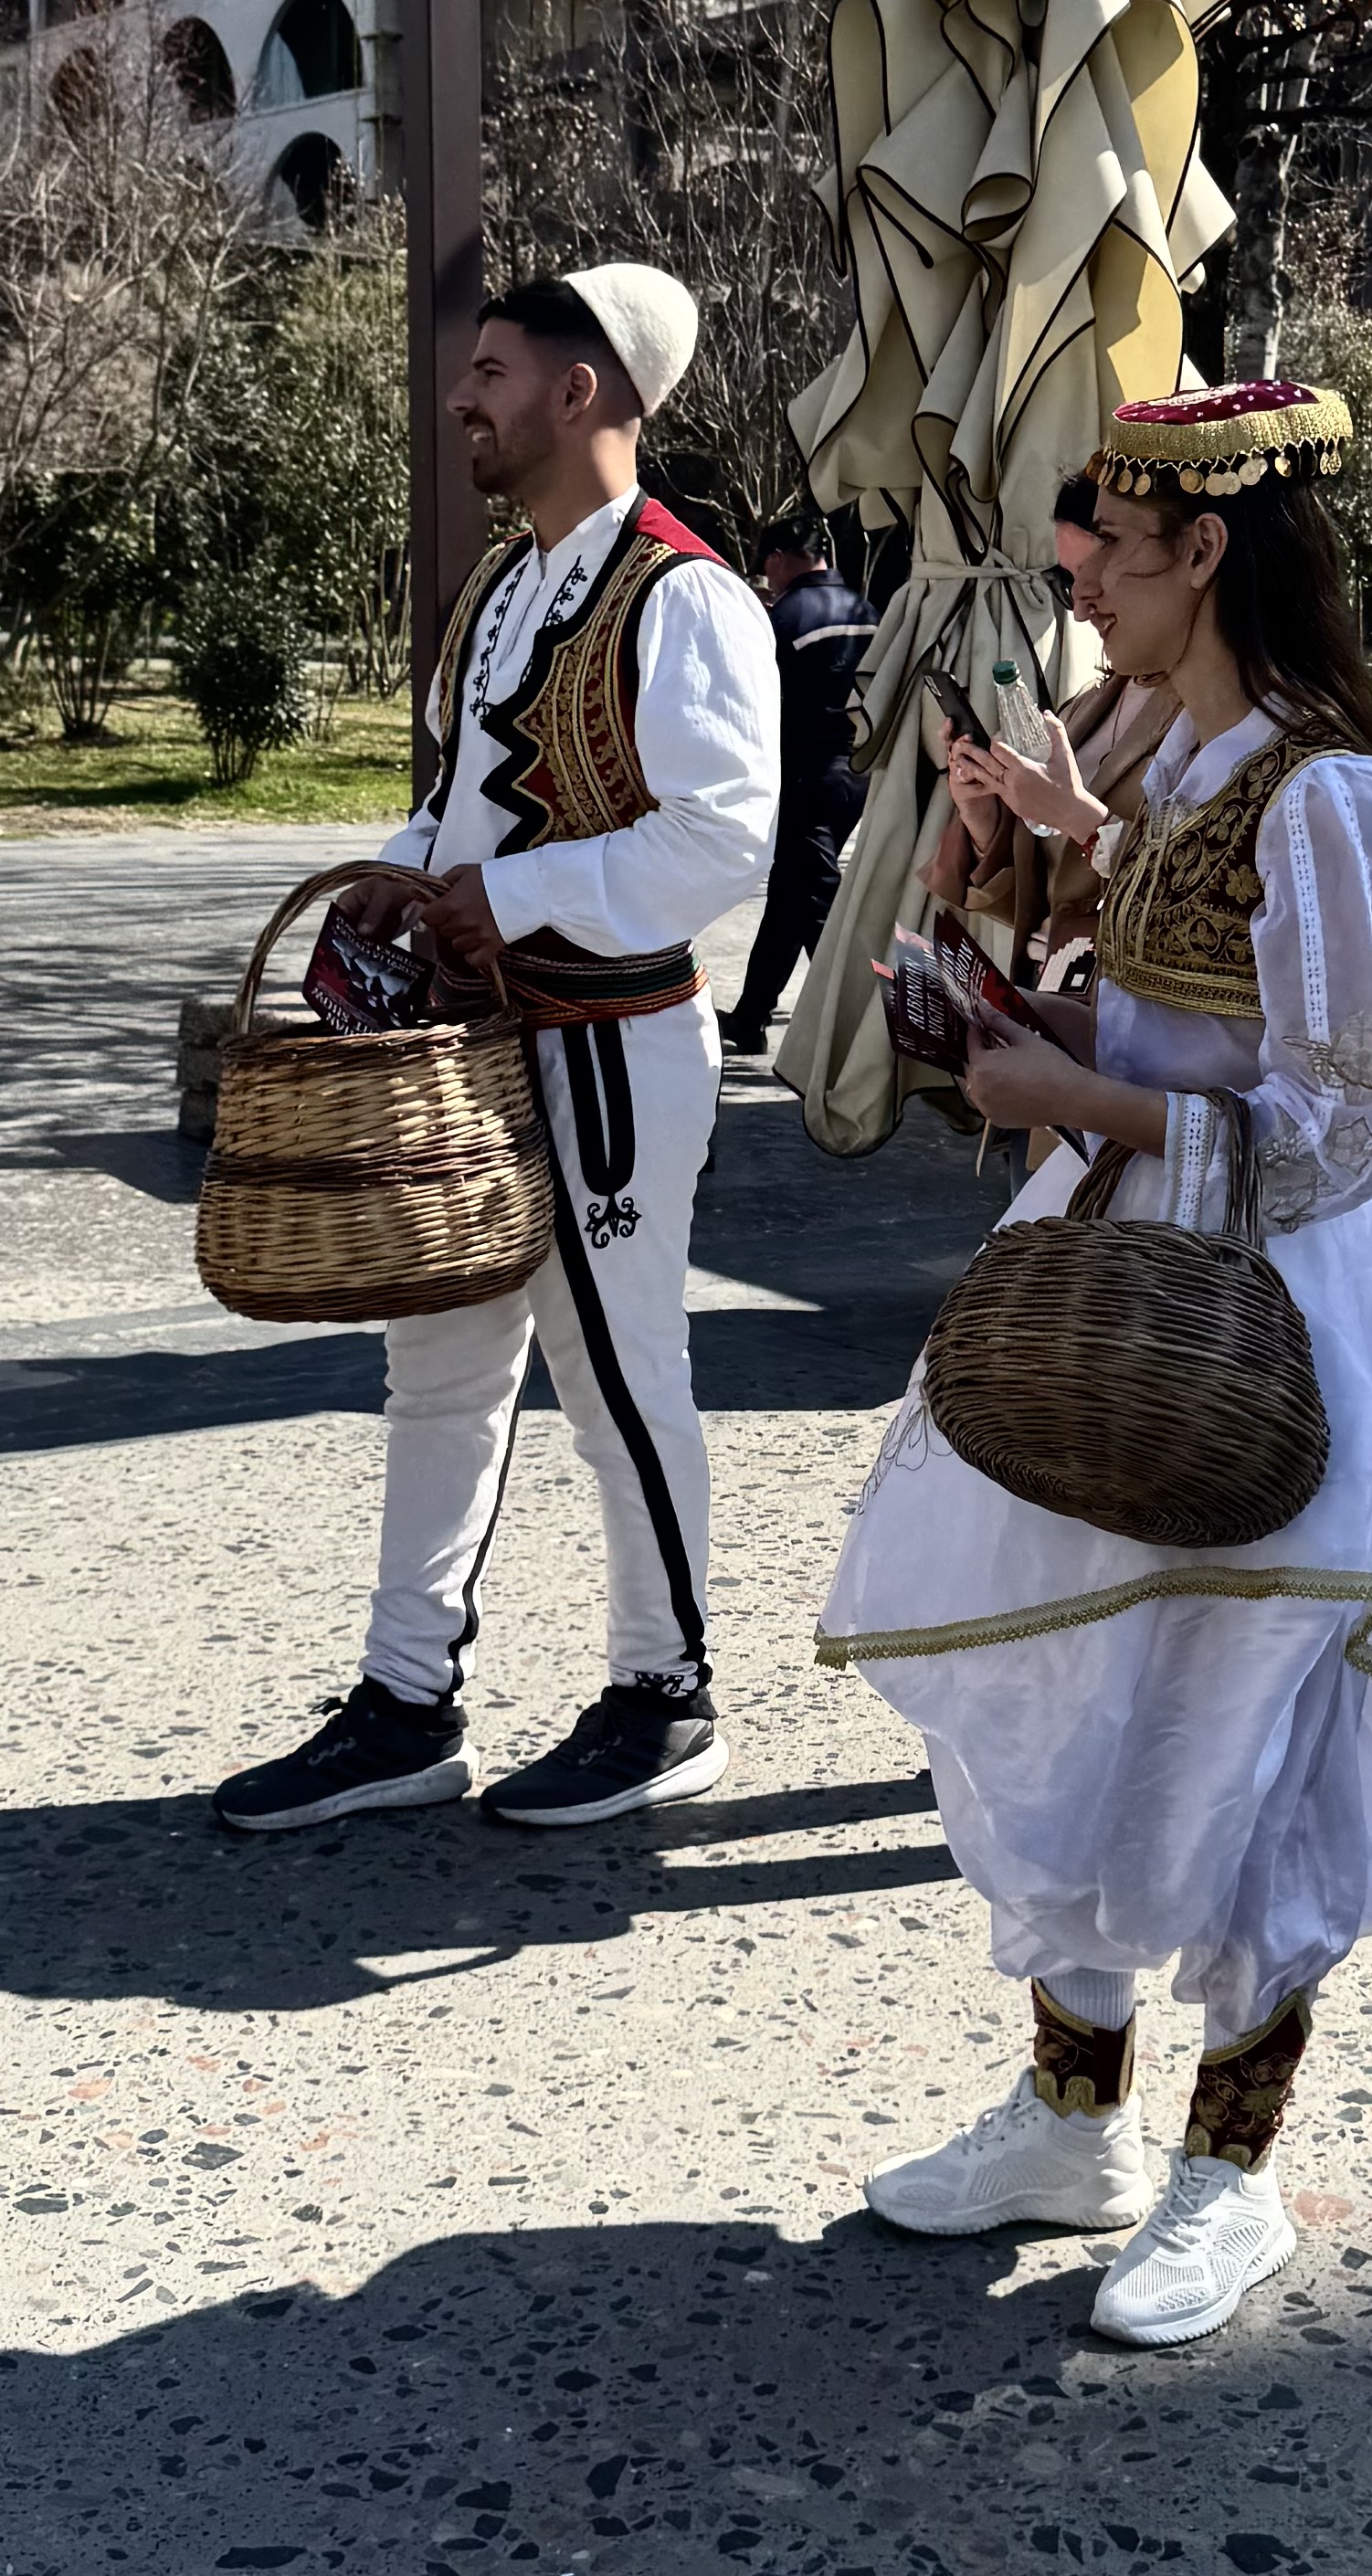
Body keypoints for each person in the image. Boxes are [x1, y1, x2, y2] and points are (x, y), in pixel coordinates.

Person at [817, 381, 1372, 2348]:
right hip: (1113, 1271)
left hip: (1277, 1320)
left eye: (1118, 564)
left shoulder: (1325, 789)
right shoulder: (1183, 760)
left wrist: (1077, 1088)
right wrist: (1019, 961)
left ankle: (1227, 2174)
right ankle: (1070, 2114)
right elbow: (1163, 1015)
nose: (1092, 603)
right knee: (1091, 1674)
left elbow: (1341, 1130)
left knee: (1254, 1725)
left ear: (1207, 555)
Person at [214, 266, 781, 1834]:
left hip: (606, 1047)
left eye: (491, 371)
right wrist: (401, 883)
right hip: (476, 1045)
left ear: (582, 392)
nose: (464, 398)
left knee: (616, 1368)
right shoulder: (505, 584)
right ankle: (409, 1698)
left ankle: (669, 1695)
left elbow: (724, 835)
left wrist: (498, 895)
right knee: (438, 1370)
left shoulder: (687, 597)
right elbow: (462, 796)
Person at [919, 478, 1177, 1001]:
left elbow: (1202, 906)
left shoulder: (1217, 722)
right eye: (1069, 579)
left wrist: (1077, 816)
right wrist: (985, 817)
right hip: (1049, 1006)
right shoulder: (1090, 702)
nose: (1080, 606)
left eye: (1095, 574)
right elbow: (1047, 894)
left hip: (1127, 1027)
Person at [716, 510, 879, 1054]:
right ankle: (751, 1016)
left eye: (768, 567)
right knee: (791, 892)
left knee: (817, 903)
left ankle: (862, 1025)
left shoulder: (781, 619)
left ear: (780, 560)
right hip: (859, 773)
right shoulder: (866, 610)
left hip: (805, 776)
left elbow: (751, 705)